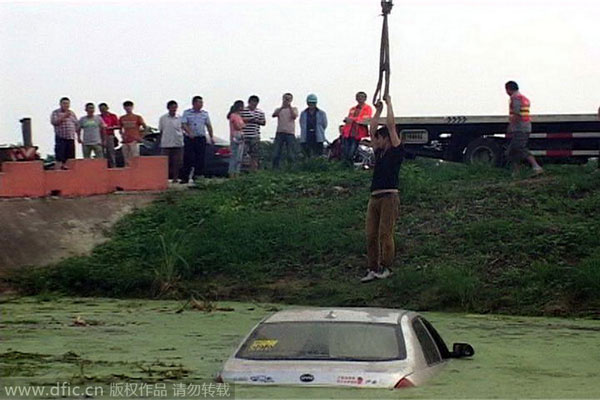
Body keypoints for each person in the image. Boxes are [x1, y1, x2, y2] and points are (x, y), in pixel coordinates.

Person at [361, 95, 403, 283]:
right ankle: (372, 268)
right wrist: (377, 111)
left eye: (378, 139)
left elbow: (391, 126)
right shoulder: (379, 152)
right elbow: (371, 129)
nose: (375, 141)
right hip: (375, 197)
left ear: (385, 139)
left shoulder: (395, 151)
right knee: (371, 235)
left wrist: (389, 104)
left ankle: (387, 267)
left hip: (389, 196)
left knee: (385, 234)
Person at [505, 81, 543, 176]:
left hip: (520, 128)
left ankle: (536, 167)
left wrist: (510, 126)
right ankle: (516, 171)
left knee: (518, 148)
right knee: (514, 150)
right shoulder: (523, 98)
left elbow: (517, 113)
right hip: (525, 126)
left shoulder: (515, 98)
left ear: (508, 89)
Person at [180, 96, 214, 183]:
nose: (201, 104)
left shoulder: (204, 114)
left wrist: (211, 136)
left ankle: (198, 176)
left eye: (202, 103)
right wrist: (189, 132)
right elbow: (183, 124)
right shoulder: (187, 113)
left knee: (200, 158)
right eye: (199, 102)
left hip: (200, 138)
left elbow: (208, 125)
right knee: (188, 158)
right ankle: (185, 177)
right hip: (190, 138)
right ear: (194, 103)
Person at [341, 91, 372, 164]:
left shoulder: (367, 108)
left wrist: (352, 119)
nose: (360, 98)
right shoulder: (352, 109)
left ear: (365, 98)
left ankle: (350, 166)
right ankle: (345, 167)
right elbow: (349, 119)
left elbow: (365, 119)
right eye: (358, 97)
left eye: (362, 97)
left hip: (358, 134)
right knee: (345, 151)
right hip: (348, 133)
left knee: (352, 152)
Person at [158, 100, 184, 182]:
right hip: (166, 144)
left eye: (175, 108)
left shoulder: (180, 118)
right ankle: (164, 178)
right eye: (172, 107)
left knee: (177, 162)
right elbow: (161, 130)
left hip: (177, 143)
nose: (174, 109)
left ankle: (175, 178)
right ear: (168, 108)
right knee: (165, 163)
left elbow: (184, 129)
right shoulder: (163, 118)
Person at [50, 97, 78, 169]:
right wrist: (64, 116)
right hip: (61, 137)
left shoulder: (72, 113)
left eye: (67, 104)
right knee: (60, 156)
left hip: (70, 137)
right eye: (64, 103)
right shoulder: (55, 112)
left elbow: (76, 124)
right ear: (60, 104)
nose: (66, 105)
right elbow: (54, 122)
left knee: (70, 157)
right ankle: (58, 171)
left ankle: (70, 170)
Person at [272, 93, 298, 169]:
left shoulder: (294, 109)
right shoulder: (279, 109)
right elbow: (274, 115)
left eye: (288, 99)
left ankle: (291, 168)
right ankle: (275, 168)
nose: (287, 100)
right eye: (285, 98)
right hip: (280, 132)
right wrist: (282, 107)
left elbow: (294, 116)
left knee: (291, 152)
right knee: (276, 152)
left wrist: (289, 107)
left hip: (290, 133)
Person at [240, 95, 266, 171]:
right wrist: (248, 120)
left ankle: (253, 170)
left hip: (255, 135)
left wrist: (256, 121)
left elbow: (263, 122)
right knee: (243, 153)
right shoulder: (243, 110)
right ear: (249, 102)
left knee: (254, 154)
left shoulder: (260, 112)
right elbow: (239, 119)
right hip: (245, 134)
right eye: (252, 103)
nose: (254, 104)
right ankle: (242, 169)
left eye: (255, 103)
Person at [119, 100, 147, 167]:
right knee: (126, 159)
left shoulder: (137, 117)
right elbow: (120, 128)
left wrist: (141, 137)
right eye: (126, 107)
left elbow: (145, 127)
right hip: (125, 141)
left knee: (135, 157)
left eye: (129, 106)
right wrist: (122, 135)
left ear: (132, 107)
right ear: (124, 108)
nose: (128, 108)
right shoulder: (122, 118)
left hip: (134, 140)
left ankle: (136, 172)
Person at [299, 94, 328, 158]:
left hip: (318, 136)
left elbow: (324, 124)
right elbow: (301, 123)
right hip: (306, 135)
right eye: (310, 103)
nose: (312, 104)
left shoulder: (322, 113)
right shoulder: (303, 113)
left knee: (318, 154)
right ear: (307, 103)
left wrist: (319, 130)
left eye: (313, 103)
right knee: (306, 154)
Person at [228, 100, 246, 178]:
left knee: (239, 157)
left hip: (239, 135)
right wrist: (243, 126)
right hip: (236, 135)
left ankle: (237, 173)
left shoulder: (239, 116)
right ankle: (232, 173)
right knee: (234, 156)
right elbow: (238, 126)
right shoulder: (233, 115)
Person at [99, 103, 120, 168]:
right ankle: (102, 167)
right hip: (100, 136)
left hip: (110, 135)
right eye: (101, 109)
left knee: (111, 152)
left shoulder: (112, 116)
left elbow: (118, 126)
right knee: (100, 152)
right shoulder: (98, 117)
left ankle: (113, 166)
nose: (103, 110)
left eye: (104, 109)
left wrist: (110, 127)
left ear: (107, 108)